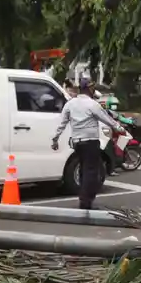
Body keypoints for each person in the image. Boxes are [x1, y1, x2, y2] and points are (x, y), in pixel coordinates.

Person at [52, 78, 124, 210]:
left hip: (77, 143)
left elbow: (62, 123)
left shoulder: (70, 104)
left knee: (83, 170)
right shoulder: (92, 104)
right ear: (87, 89)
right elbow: (107, 119)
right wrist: (120, 129)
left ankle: (84, 197)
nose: (93, 89)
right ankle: (85, 202)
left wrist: (55, 139)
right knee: (91, 171)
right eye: (92, 87)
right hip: (90, 142)